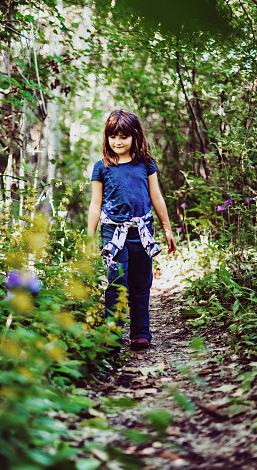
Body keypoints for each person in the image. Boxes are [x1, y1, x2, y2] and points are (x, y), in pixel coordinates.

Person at [87, 109, 176, 351]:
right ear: (106, 137)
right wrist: (89, 235)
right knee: (117, 282)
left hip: (142, 231)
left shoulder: (145, 165)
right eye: (113, 136)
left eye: (124, 136)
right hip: (112, 233)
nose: (118, 141)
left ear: (135, 137)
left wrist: (167, 229)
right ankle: (113, 334)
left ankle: (140, 333)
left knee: (140, 283)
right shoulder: (102, 167)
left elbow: (156, 197)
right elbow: (95, 204)